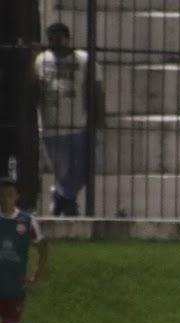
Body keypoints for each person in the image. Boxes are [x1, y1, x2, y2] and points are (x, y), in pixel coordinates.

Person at [33, 22, 104, 216]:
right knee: (62, 171)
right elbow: (36, 89)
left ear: (67, 38)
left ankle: (62, 198)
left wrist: (98, 121)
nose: (54, 42)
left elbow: (96, 90)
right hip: (51, 126)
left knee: (86, 169)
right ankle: (67, 203)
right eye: (51, 38)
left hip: (78, 125)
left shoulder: (84, 60)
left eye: (58, 38)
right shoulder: (42, 60)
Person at [0, 177, 48, 323]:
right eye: (1, 195)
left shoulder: (27, 221)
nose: (5, 199)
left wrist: (36, 273)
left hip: (14, 287)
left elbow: (43, 248)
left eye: (9, 194)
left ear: (17, 197)